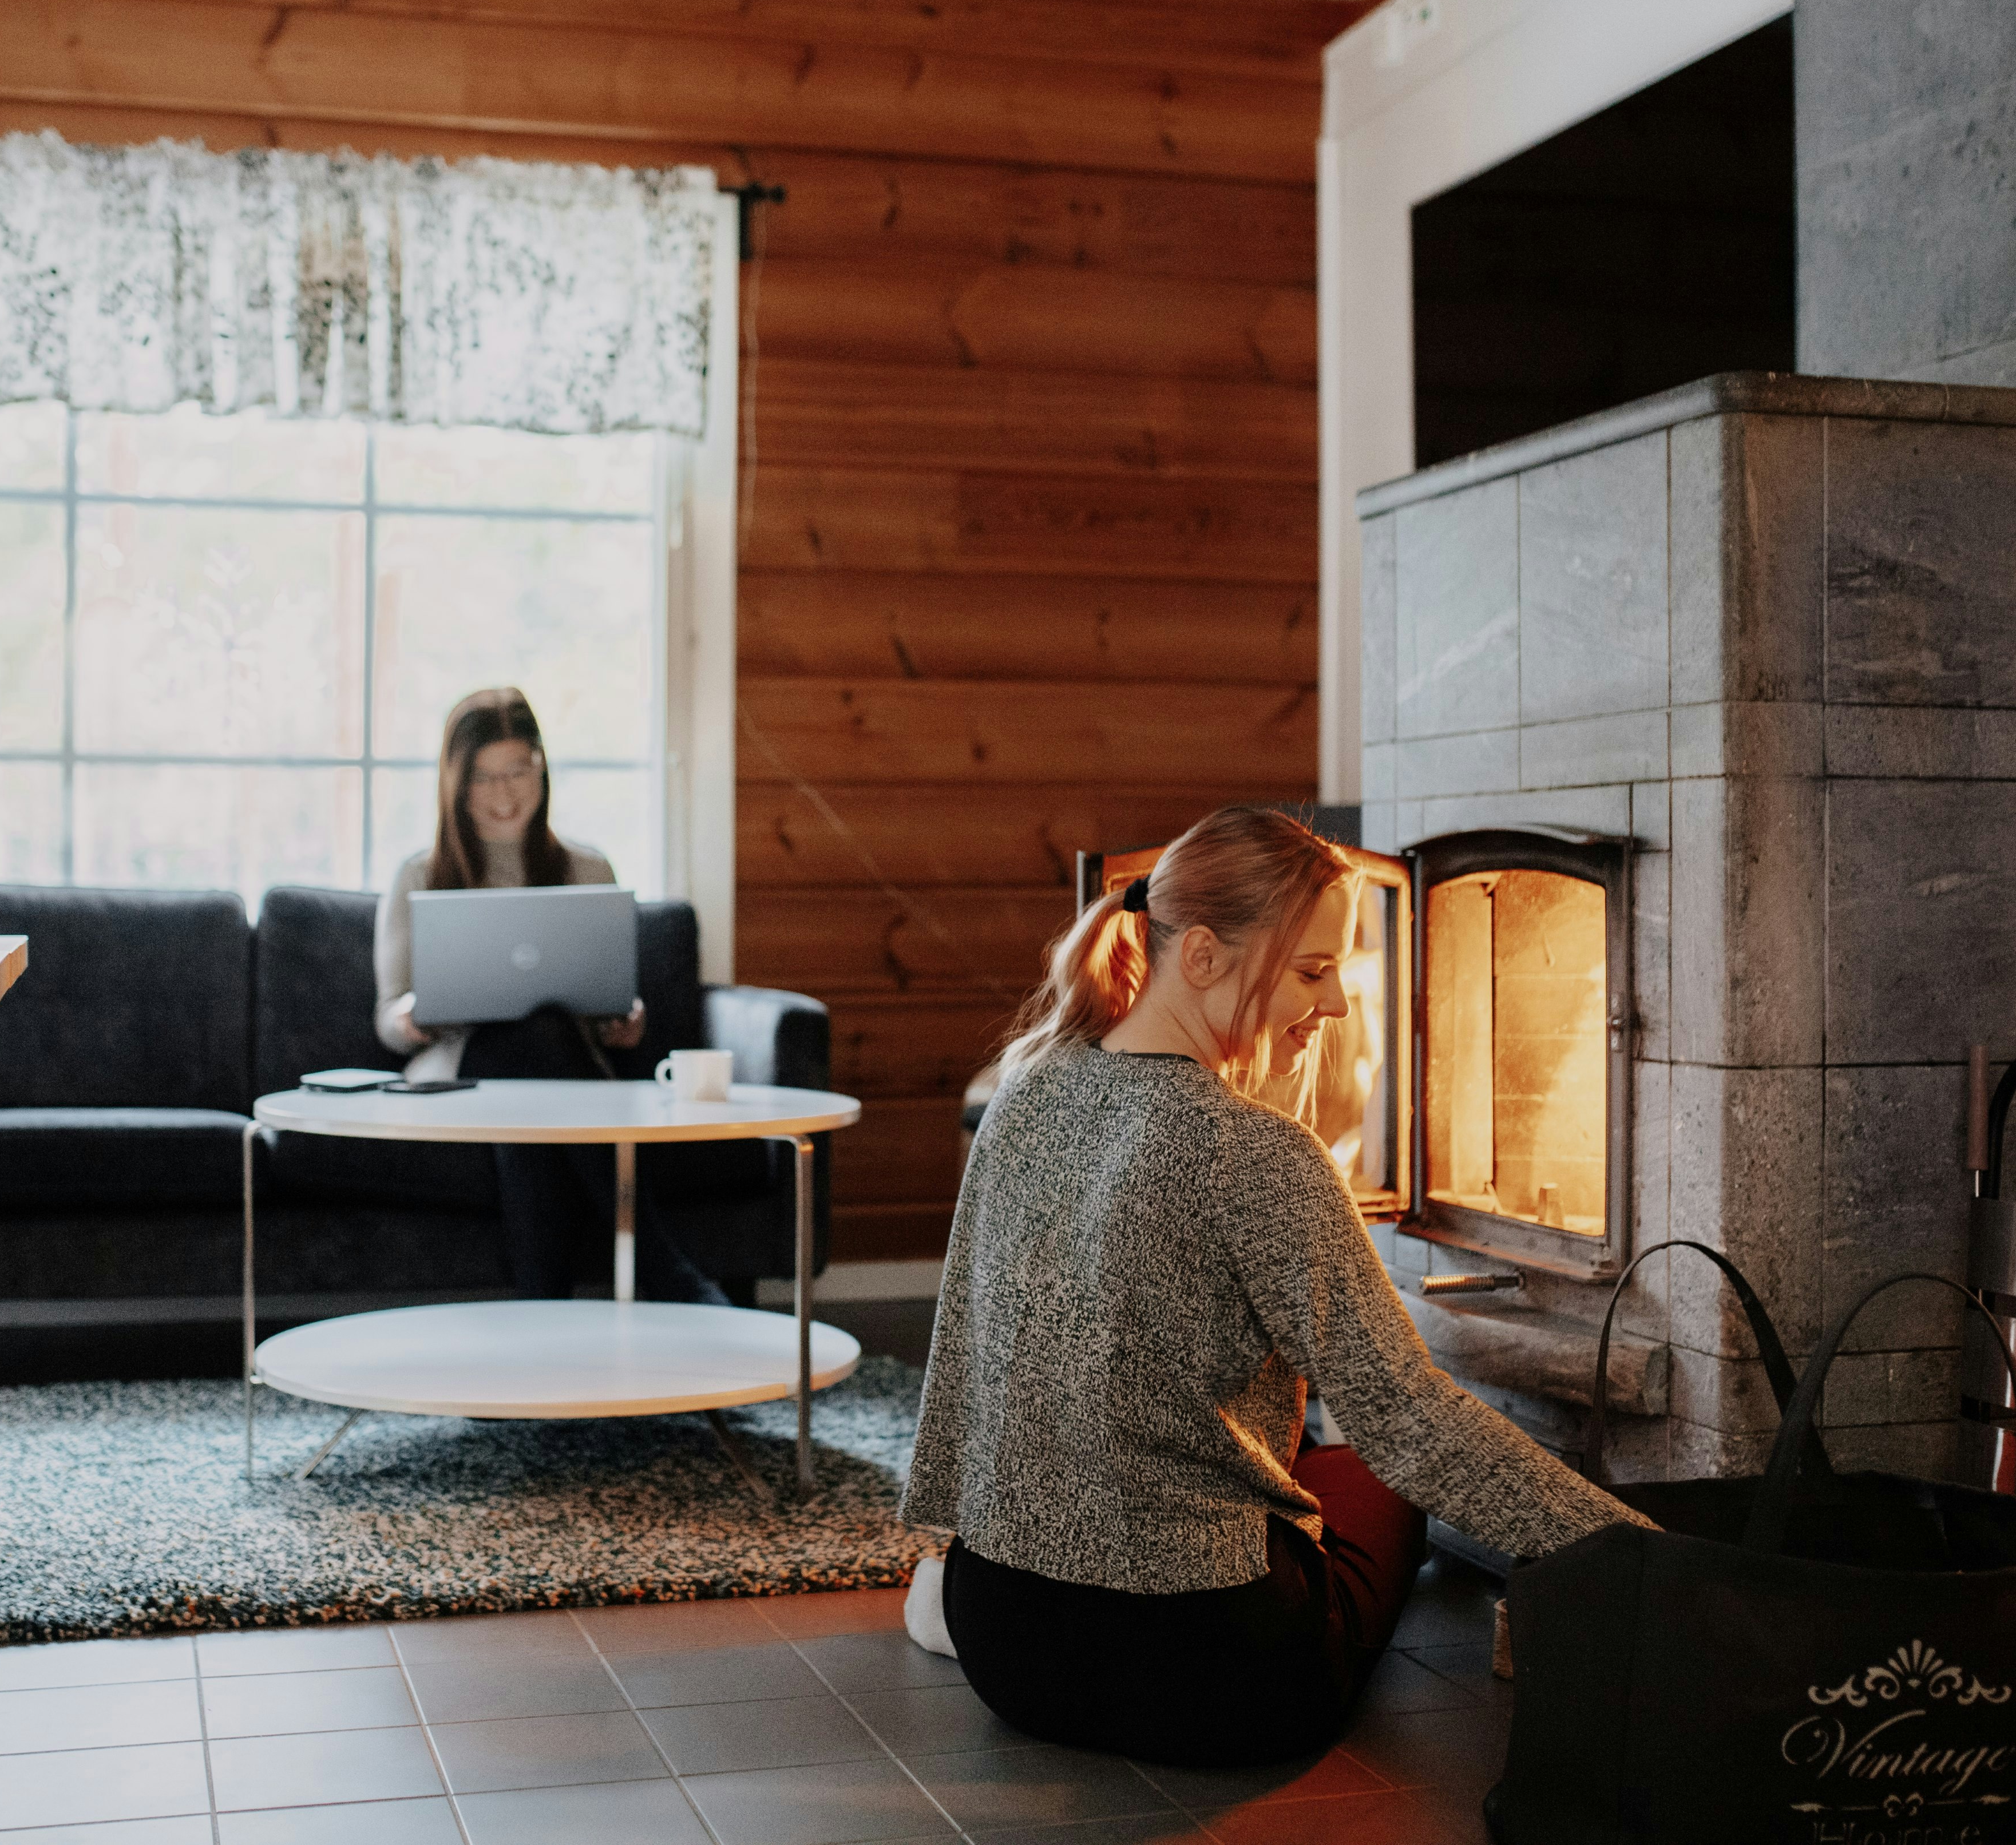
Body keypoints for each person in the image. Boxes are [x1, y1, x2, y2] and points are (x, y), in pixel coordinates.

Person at [902, 804, 1651, 1766]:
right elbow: (1415, 1424)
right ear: (1204, 955)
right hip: (1203, 1674)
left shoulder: (1027, 1088)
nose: (1338, 1003)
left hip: (1004, 1641)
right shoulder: (1256, 1152)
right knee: (1375, 1482)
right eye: (1312, 970)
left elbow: (963, 1346)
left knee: (1298, 1458)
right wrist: (1644, 1553)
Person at [372, 686, 723, 1303]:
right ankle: (663, 1267)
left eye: (518, 771)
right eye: (484, 778)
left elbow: (610, 997)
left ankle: (545, 1318)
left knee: (539, 1056)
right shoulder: (419, 876)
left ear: (541, 768)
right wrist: (410, 1018)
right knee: (530, 1044)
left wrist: (625, 1021)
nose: (504, 795)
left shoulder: (588, 870)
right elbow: (388, 1015)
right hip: (456, 1074)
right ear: (455, 783)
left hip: (557, 1072)